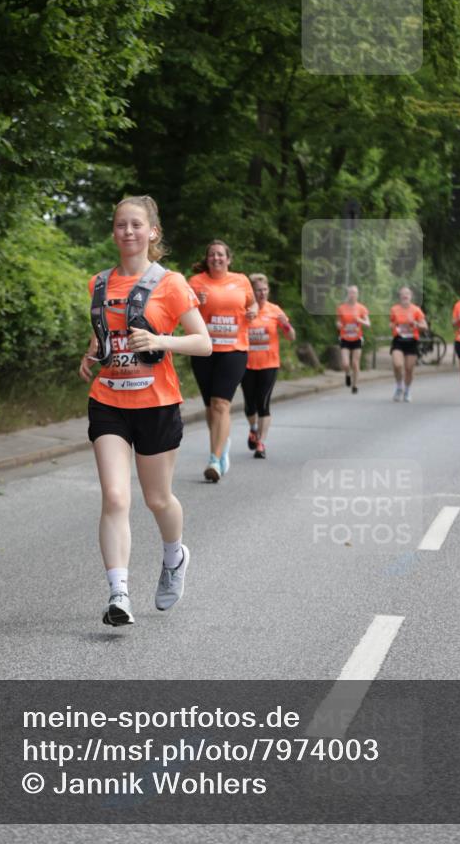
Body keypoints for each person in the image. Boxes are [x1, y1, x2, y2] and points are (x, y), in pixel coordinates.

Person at [79, 195, 210, 628]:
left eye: (137, 225)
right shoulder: (98, 283)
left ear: (152, 232)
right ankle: (119, 593)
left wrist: (162, 342)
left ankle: (175, 556)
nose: (128, 232)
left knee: (157, 498)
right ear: (114, 231)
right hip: (109, 402)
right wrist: (92, 353)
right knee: (115, 497)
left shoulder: (170, 284)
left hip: (156, 403)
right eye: (121, 225)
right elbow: (106, 338)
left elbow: (203, 342)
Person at [188, 240, 257, 482]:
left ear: (228, 259)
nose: (216, 258)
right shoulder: (196, 283)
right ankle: (221, 443)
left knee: (221, 404)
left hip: (234, 349)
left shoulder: (241, 280)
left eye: (220, 255)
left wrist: (254, 310)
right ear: (207, 259)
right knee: (210, 408)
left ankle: (215, 460)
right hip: (204, 350)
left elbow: (252, 303)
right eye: (212, 255)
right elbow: (184, 310)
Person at [241, 273, 296, 459]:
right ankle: (253, 428)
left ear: (268, 291)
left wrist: (285, 325)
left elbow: (291, 336)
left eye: (265, 290)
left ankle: (261, 443)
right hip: (247, 364)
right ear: (252, 292)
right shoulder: (246, 310)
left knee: (263, 403)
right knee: (250, 405)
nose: (262, 293)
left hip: (269, 364)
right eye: (258, 290)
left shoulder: (275, 310)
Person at [389, 286, 427, 403]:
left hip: (411, 341)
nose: (405, 295)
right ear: (400, 296)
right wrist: (393, 325)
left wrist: (415, 324)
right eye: (403, 294)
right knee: (397, 365)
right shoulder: (394, 309)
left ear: (411, 296)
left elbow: (424, 326)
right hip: (399, 340)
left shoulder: (416, 310)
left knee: (409, 369)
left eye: (407, 294)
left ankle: (407, 390)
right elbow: (391, 323)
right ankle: (399, 387)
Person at [336, 285, 370, 394]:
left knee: (355, 363)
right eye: (350, 292)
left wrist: (360, 320)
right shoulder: (341, 308)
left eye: (354, 293)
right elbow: (338, 322)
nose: (352, 295)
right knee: (345, 363)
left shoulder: (362, 308)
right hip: (345, 337)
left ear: (357, 294)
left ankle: (355, 385)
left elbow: (368, 324)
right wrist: (339, 325)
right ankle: (347, 374)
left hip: (357, 338)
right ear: (348, 294)